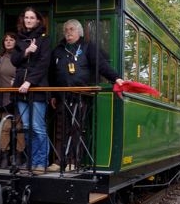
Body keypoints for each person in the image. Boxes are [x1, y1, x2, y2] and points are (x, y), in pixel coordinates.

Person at [48, 19, 124, 172]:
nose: (68, 33)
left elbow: (101, 65)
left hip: (81, 95)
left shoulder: (88, 47)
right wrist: (52, 94)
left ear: (79, 32)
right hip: (62, 95)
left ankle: (73, 161)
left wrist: (116, 78)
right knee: (60, 128)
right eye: (66, 30)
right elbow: (51, 74)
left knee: (76, 128)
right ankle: (58, 160)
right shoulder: (58, 50)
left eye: (71, 29)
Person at [11, 7, 51, 172]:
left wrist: (29, 82)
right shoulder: (20, 40)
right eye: (26, 17)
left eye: (32, 17)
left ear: (38, 20)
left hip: (38, 88)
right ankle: (32, 161)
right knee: (27, 127)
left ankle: (41, 162)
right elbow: (14, 60)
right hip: (21, 89)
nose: (28, 20)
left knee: (38, 127)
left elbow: (43, 64)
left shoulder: (44, 40)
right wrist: (27, 51)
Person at [0, 32, 25, 168]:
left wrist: (18, 81)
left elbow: (26, 73)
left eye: (11, 39)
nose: (8, 42)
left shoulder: (20, 58)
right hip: (2, 98)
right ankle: (4, 156)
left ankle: (19, 155)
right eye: (6, 40)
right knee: (4, 128)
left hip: (17, 97)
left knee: (19, 127)